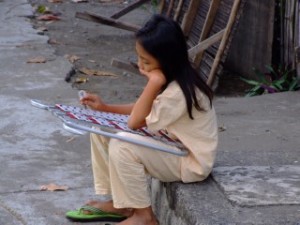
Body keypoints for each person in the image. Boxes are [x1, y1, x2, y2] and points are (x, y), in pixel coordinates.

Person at [66, 14, 218, 225]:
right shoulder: (173, 79)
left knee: (123, 145)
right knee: (101, 128)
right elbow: (143, 111)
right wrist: (105, 108)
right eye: (139, 58)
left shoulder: (178, 92)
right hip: (172, 145)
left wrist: (154, 82)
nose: (140, 66)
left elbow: (135, 122)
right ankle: (121, 204)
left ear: (167, 61)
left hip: (189, 162)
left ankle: (144, 217)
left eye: (146, 61)